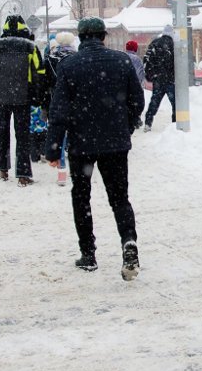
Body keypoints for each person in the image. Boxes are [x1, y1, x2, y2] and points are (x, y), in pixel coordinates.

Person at [46, 17, 145, 279]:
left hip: (82, 146)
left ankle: (88, 254)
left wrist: (53, 149)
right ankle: (128, 242)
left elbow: (59, 111)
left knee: (81, 197)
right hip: (115, 144)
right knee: (119, 198)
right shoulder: (122, 61)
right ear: (103, 36)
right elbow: (138, 101)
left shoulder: (69, 65)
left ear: (81, 38)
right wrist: (127, 125)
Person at [0, 15, 45, 187]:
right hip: (23, 98)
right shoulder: (30, 47)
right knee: (22, 135)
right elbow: (40, 74)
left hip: (0, 98)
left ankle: (2, 168)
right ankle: (23, 174)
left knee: (1, 133)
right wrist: (38, 97)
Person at [43, 31, 78, 186]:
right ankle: (77, 169)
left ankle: (61, 171)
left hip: (55, 101)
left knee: (59, 137)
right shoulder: (78, 59)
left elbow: (45, 84)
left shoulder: (50, 60)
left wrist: (45, 106)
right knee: (75, 137)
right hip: (76, 103)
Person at [142, 24, 176, 131]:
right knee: (175, 103)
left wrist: (150, 76)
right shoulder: (174, 44)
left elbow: (147, 60)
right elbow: (179, 63)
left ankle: (148, 123)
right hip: (171, 79)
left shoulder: (155, 43)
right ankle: (175, 123)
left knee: (154, 102)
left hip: (158, 80)